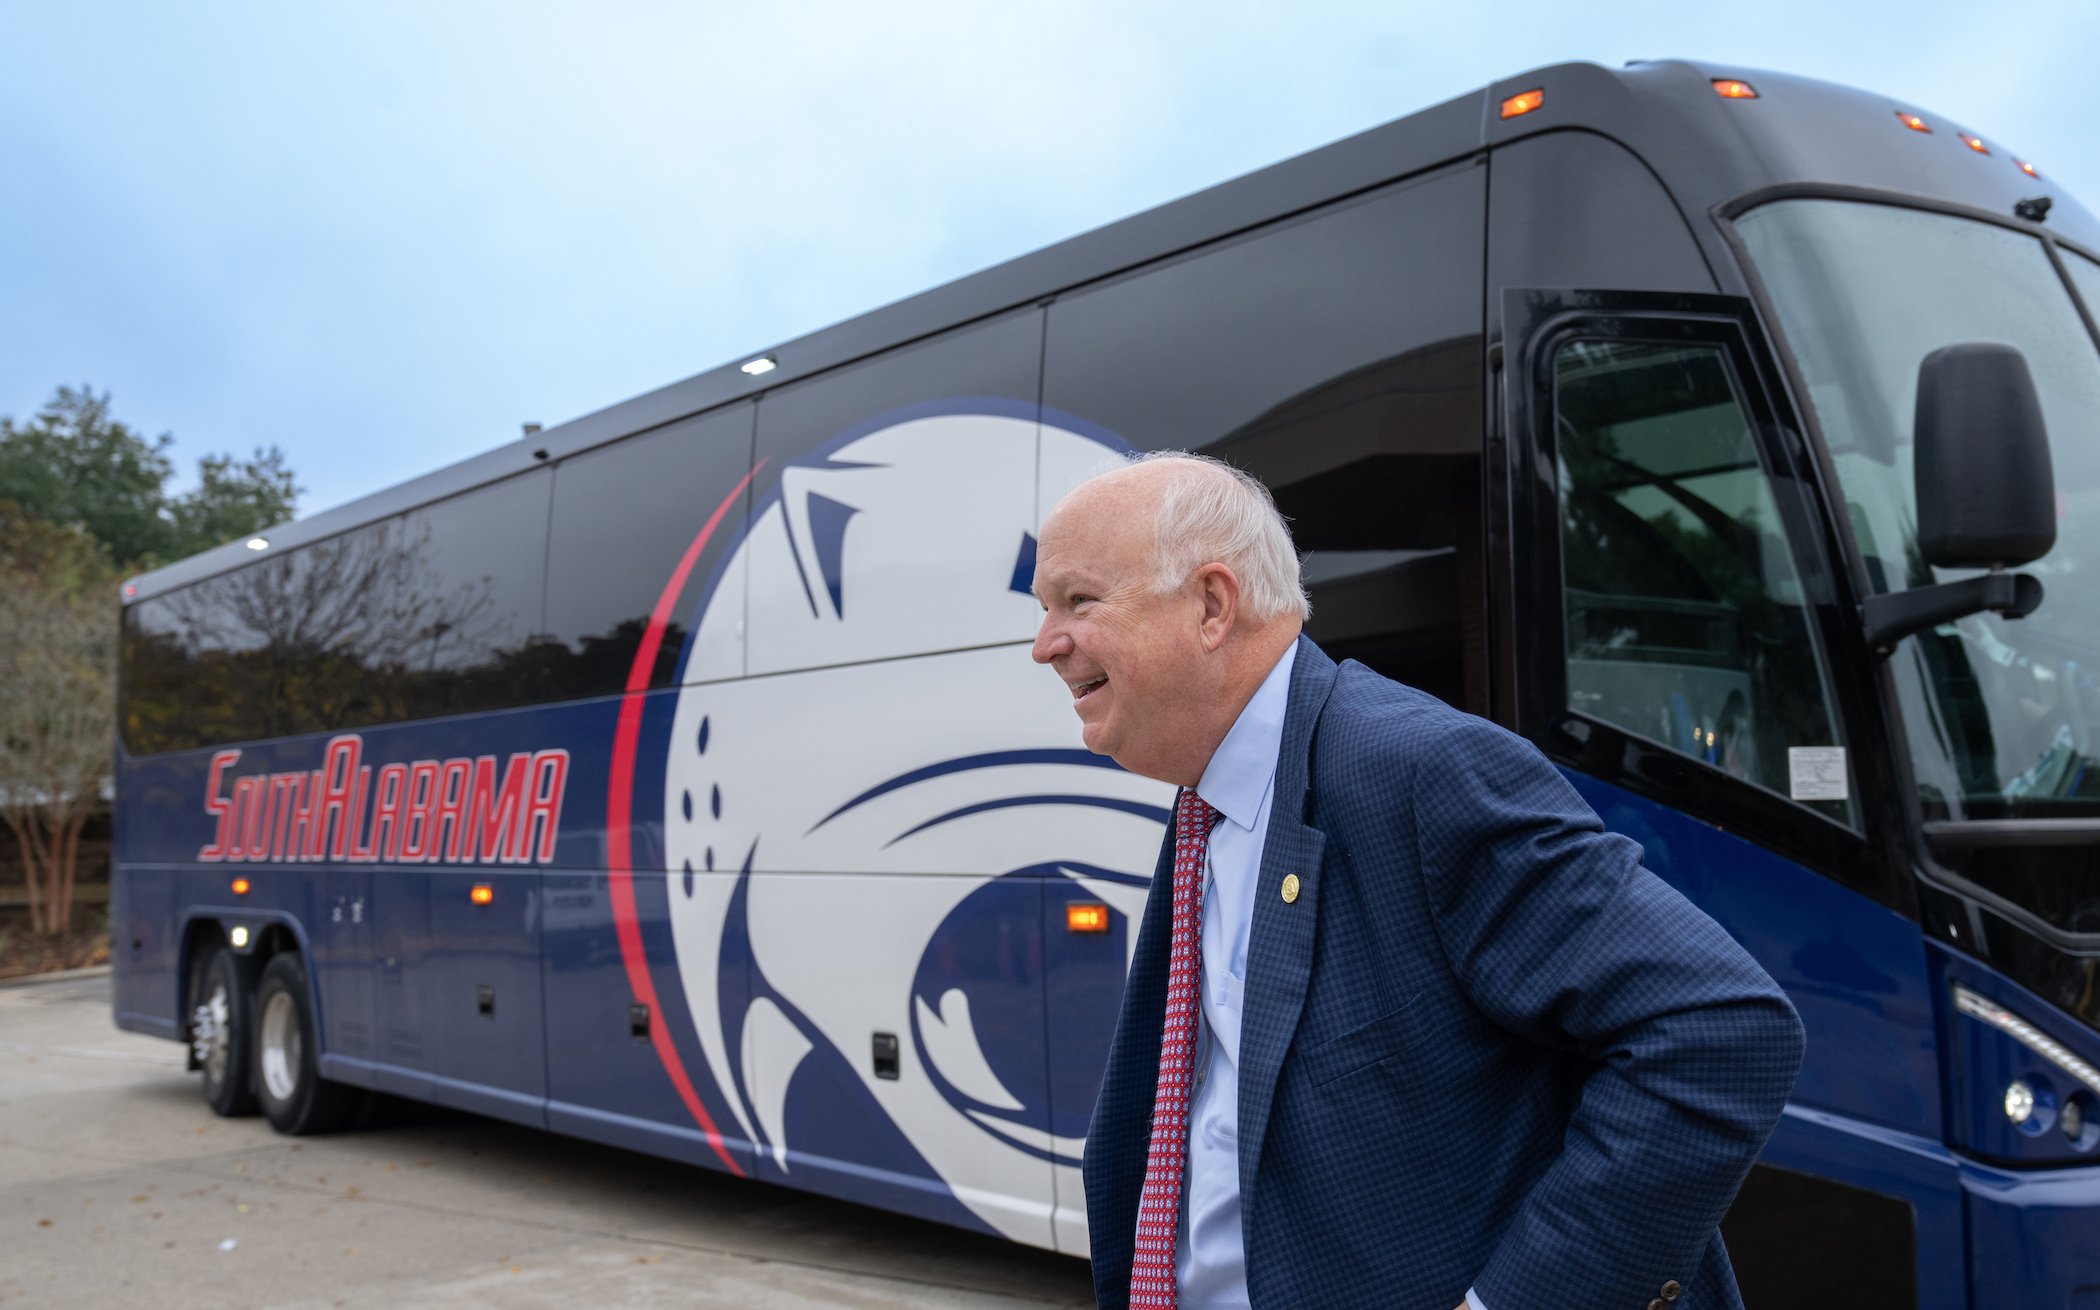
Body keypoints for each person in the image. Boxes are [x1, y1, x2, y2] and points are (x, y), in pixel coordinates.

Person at [1029, 451, 1804, 1310]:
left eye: (1079, 601)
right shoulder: (1206, 800)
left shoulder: (1416, 768)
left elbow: (1718, 1030)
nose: (1044, 646)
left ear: (1212, 604)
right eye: (1044, 610)